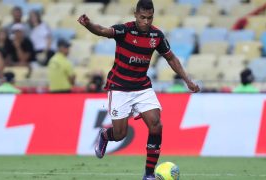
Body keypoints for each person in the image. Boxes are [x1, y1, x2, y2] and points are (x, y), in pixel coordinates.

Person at [78, 0, 200, 179]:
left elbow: (171, 58)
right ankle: (105, 134)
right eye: (142, 17)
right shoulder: (124, 30)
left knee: (156, 125)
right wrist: (88, 24)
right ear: (135, 14)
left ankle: (149, 174)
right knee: (120, 134)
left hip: (142, 87)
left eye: (150, 18)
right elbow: (103, 31)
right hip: (119, 87)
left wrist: (187, 80)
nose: (146, 22)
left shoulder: (156, 36)